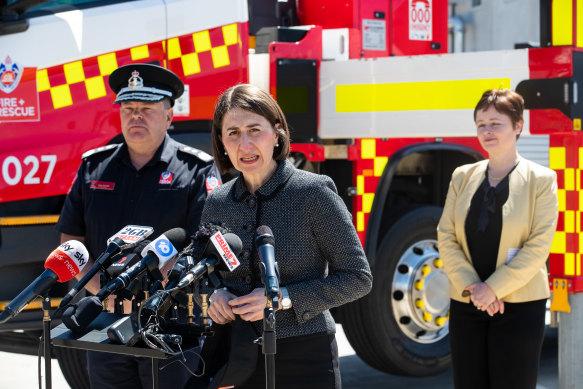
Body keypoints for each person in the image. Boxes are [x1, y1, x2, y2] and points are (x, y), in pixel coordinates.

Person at [196, 83, 372, 389]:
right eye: (233, 133)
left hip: (305, 354)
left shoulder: (313, 192)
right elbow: (203, 270)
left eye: (255, 130)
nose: (245, 144)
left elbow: (358, 277)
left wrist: (283, 299)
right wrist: (214, 296)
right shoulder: (218, 201)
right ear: (221, 142)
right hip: (235, 356)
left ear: (277, 134)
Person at [56, 63, 220, 389]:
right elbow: (71, 241)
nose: (136, 116)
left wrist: (146, 293)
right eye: (128, 108)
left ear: (169, 116)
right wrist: (103, 291)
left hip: (170, 317)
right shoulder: (94, 167)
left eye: (146, 108)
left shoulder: (196, 170)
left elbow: (199, 243)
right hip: (105, 318)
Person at [437, 89, 558, 389]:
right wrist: (476, 289)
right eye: (481, 124)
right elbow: (446, 235)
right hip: (468, 302)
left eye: (495, 123)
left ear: (518, 125)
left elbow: (539, 246)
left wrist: (493, 289)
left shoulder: (541, 180)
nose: (487, 131)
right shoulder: (462, 176)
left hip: (519, 305)